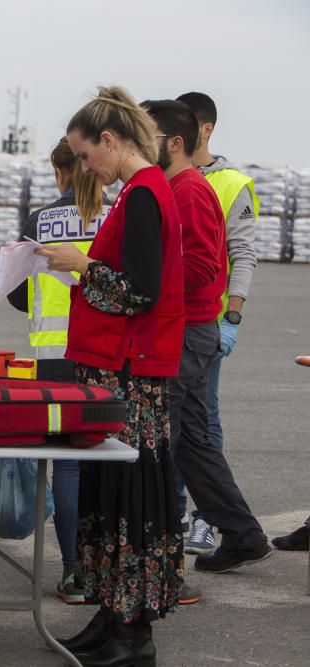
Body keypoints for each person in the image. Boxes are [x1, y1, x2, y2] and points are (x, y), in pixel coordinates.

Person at [36, 86, 185, 667]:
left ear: (109, 141)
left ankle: (133, 629)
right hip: (114, 366)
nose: (84, 169)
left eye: (86, 156)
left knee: (130, 501)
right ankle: (112, 611)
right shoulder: (136, 193)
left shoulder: (146, 195)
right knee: (109, 496)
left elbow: (139, 290)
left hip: (131, 371)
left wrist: (83, 265)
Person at [144, 99, 271, 576]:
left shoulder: (192, 191)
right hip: (191, 331)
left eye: (145, 136)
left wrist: (140, 279)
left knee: (155, 442)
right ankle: (242, 536)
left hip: (190, 332)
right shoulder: (174, 186)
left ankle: (156, 557)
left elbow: (207, 266)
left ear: (176, 141)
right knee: (194, 443)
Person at [7, 136, 108, 604]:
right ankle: (112, 563)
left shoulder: (40, 221)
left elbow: (13, 289)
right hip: (107, 356)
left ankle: (74, 572)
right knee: (113, 463)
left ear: (59, 172)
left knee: (66, 467)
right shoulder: (118, 216)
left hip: (53, 357)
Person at [176, 92, 260, 553]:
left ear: (204, 130)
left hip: (207, 321)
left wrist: (233, 316)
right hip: (175, 321)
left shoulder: (232, 183)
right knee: (181, 423)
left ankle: (206, 518)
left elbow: (243, 253)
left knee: (202, 419)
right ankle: (173, 511)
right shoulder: (166, 178)